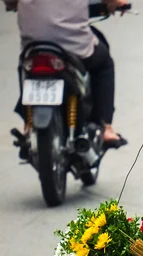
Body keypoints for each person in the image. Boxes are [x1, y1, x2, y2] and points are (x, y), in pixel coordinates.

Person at [4, 0, 128, 148]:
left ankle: (28, 125)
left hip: (34, 46)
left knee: (25, 66)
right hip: (74, 46)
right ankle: (105, 127)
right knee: (104, 64)